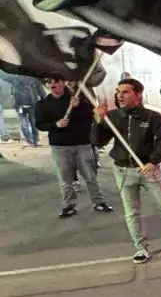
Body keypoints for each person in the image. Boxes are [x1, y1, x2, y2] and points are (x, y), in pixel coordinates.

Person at [93, 78, 161, 264]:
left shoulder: (151, 117)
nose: (120, 95)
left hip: (148, 170)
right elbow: (98, 142)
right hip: (123, 171)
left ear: (138, 94)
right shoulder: (113, 117)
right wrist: (98, 121)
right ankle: (141, 248)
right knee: (132, 213)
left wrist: (153, 161)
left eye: (125, 92)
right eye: (118, 92)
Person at [35, 76, 112, 219]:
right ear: (45, 85)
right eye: (49, 82)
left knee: (91, 176)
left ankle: (99, 202)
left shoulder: (77, 100)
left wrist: (79, 107)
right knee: (65, 179)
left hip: (82, 144)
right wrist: (55, 125)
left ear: (64, 82)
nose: (53, 84)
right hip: (60, 147)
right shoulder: (42, 105)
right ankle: (69, 206)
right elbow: (39, 124)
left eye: (56, 81)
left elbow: (91, 118)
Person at [10, 75, 43, 147]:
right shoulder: (16, 80)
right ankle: (30, 141)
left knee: (33, 125)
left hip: (32, 105)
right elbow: (13, 93)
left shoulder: (33, 80)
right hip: (21, 106)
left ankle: (34, 141)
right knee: (25, 125)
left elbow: (41, 92)